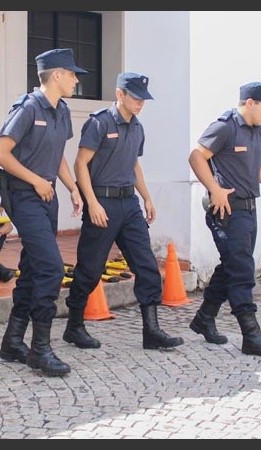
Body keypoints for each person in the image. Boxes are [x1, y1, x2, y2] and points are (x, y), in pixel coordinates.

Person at [66, 72, 184, 351]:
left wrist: (147, 198)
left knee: (147, 266)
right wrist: (92, 202)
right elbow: (80, 163)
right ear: (120, 94)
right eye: (135, 97)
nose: (141, 103)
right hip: (103, 202)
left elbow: (134, 164)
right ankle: (74, 326)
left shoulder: (138, 127)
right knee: (90, 269)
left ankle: (151, 331)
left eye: (144, 99)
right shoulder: (99, 123)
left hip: (129, 204)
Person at [0, 48, 84, 377]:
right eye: (72, 74)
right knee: (51, 268)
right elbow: (0, 153)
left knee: (32, 267)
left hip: (47, 195)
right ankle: (40, 349)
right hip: (24, 195)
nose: (76, 80)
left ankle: (12, 341)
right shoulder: (29, 108)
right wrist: (36, 181)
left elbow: (57, 155)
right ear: (56, 75)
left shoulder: (62, 111)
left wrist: (72, 187)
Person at [188, 81, 261, 357]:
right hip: (227, 210)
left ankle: (204, 318)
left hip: (249, 210)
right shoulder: (225, 127)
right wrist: (214, 189)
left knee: (231, 266)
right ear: (250, 103)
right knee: (242, 271)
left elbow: (255, 166)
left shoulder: (258, 132)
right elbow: (197, 156)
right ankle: (251, 335)